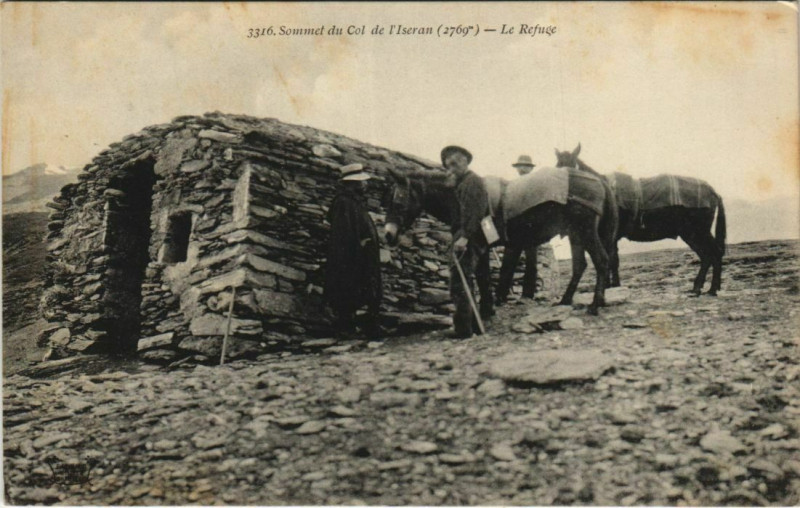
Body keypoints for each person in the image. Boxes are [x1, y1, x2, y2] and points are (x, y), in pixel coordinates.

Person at [324, 163, 382, 336]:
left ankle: (368, 325)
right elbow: (342, 233)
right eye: (362, 182)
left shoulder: (354, 202)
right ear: (352, 184)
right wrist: (359, 245)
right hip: (351, 257)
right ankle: (346, 327)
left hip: (362, 255)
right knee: (348, 287)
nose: (365, 185)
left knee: (364, 287)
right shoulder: (343, 203)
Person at [441, 145, 492, 338]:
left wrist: (464, 237)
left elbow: (475, 213)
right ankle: (473, 325)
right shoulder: (461, 183)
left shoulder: (473, 182)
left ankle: (464, 330)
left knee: (459, 281)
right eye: (448, 165)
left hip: (471, 237)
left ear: (465, 162)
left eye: (455, 163)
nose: (451, 168)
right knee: (463, 280)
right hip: (466, 235)